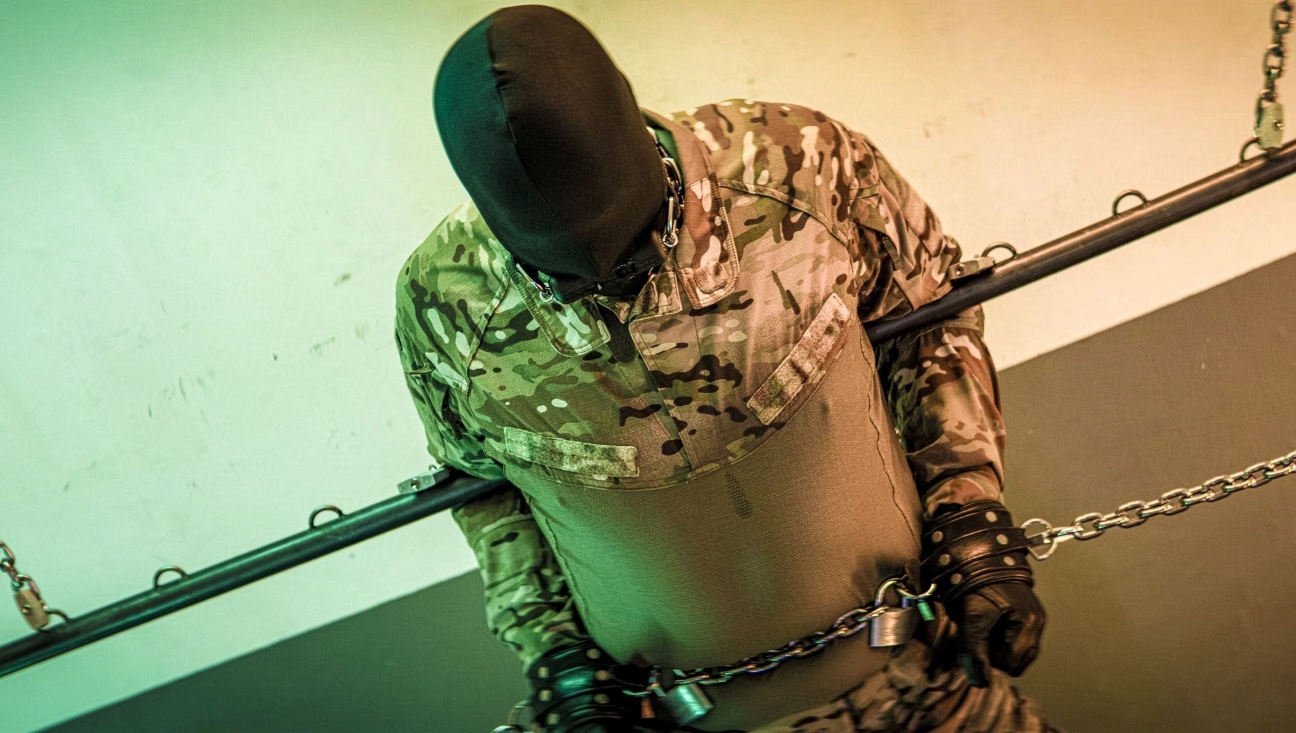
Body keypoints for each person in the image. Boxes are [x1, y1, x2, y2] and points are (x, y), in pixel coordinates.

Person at [393, 6, 1056, 732]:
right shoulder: (450, 307)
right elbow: (483, 491)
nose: (611, 283)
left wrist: (969, 515)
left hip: (930, 683)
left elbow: (929, 324)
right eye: (572, 278)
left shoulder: (802, 168)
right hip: (687, 717)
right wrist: (555, 652)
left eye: (630, 254)